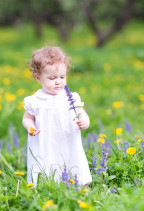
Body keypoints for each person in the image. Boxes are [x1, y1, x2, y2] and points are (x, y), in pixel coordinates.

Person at [22, 46, 92, 186]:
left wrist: (85, 121)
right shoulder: (35, 100)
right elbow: (27, 118)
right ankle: (44, 187)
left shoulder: (71, 97)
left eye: (62, 77)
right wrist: (30, 127)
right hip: (44, 143)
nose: (58, 81)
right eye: (52, 78)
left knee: (73, 160)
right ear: (38, 77)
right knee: (44, 164)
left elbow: (81, 112)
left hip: (68, 141)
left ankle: (81, 187)